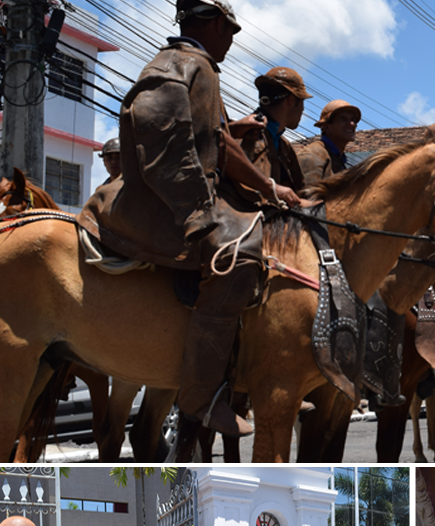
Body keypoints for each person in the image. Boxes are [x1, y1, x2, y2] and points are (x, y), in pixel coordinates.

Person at [79, 0, 302, 439]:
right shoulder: (178, 64)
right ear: (219, 23)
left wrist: (270, 189)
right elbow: (159, 132)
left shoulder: (201, 67)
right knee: (240, 255)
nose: (233, 41)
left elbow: (221, 145)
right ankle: (201, 396)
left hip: (184, 200)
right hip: (158, 205)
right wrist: (196, 211)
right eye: (232, 31)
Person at [238, 66, 309, 194]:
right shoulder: (249, 136)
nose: (303, 109)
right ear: (291, 100)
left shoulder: (284, 146)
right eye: (302, 101)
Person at [297, 99, 360, 186]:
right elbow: (309, 197)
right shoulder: (312, 156)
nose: (351, 124)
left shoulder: (339, 158)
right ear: (326, 128)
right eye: (343, 119)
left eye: (353, 120)